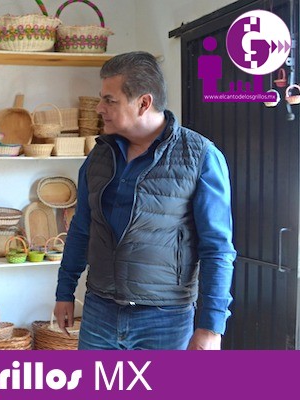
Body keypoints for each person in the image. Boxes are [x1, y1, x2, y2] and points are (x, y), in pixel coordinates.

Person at [54, 51, 236, 350]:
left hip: (165, 319)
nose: (99, 108)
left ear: (143, 103)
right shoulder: (99, 156)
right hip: (99, 311)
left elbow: (217, 248)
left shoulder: (201, 156)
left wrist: (211, 327)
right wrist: (64, 292)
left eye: (109, 100)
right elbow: (81, 229)